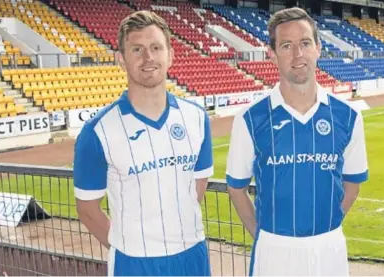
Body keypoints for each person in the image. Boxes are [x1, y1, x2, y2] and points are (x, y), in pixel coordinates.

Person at [225, 7, 368, 276]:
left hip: (329, 247)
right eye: (286, 45)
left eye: (304, 43)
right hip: (273, 249)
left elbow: (352, 186)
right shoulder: (249, 118)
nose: (297, 54)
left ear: (318, 47)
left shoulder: (348, 116)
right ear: (273, 53)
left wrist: (325, 226)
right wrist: (265, 237)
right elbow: (236, 189)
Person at [73, 10, 213, 276]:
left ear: (170, 55)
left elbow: (197, 186)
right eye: (137, 49)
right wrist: (130, 246)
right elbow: (87, 209)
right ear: (121, 60)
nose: (148, 58)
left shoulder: (196, 118)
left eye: (156, 47)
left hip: (192, 255)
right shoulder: (97, 131)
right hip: (134, 263)